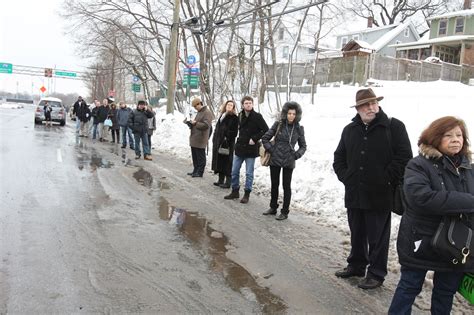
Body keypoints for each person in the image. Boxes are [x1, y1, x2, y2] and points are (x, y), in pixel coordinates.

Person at [388, 116, 474, 314]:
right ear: (435, 138)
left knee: (446, 292)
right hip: (422, 238)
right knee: (409, 286)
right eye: (448, 135)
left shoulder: (468, 167)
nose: (455, 139)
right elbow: (422, 198)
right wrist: (469, 202)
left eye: (459, 135)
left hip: (455, 243)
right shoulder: (418, 165)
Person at [333, 88, 413, 289]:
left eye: (373, 103)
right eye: (365, 105)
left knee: (377, 236)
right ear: (358, 109)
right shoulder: (349, 130)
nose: (371, 107)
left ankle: (376, 273)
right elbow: (339, 158)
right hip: (354, 192)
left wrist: (385, 179)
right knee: (357, 231)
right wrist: (346, 177)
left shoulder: (393, 127)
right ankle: (357, 265)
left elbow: (404, 158)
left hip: (380, 194)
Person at [261, 101, 307, 220]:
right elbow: (265, 138)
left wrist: (296, 155)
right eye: (289, 113)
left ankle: (285, 211)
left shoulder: (299, 128)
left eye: (293, 114)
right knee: (274, 184)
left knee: (286, 186)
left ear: (297, 115)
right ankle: (273, 207)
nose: (291, 115)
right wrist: (272, 150)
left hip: (289, 160)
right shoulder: (278, 125)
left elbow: (303, 146)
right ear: (285, 114)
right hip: (275, 159)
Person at [224, 96, 269, 203]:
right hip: (240, 147)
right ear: (243, 105)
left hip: (251, 149)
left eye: (250, 103)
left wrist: (255, 138)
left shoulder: (257, 116)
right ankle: (235, 191)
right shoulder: (240, 115)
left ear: (252, 104)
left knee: (249, 173)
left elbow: (266, 130)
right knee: (234, 171)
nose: (248, 105)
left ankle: (247, 194)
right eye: (246, 103)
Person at [211, 100, 239, 188]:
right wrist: (215, 138)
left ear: (233, 107)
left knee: (227, 162)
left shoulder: (234, 117)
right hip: (219, 142)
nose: (229, 106)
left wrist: (226, 136)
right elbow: (217, 128)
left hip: (227, 143)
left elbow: (234, 132)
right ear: (225, 105)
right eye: (228, 104)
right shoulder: (222, 115)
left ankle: (228, 182)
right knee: (220, 161)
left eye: (231, 105)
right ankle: (220, 180)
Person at [184, 97, 213, 177]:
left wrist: (195, 123)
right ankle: (195, 170)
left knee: (200, 156)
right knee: (195, 156)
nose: (195, 108)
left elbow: (206, 125)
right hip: (195, 138)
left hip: (201, 138)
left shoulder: (207, 112)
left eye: (195, 106)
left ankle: (200, 172)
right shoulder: (199, 112)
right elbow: (197, 124)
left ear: (199, 104)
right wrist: (190, 123)